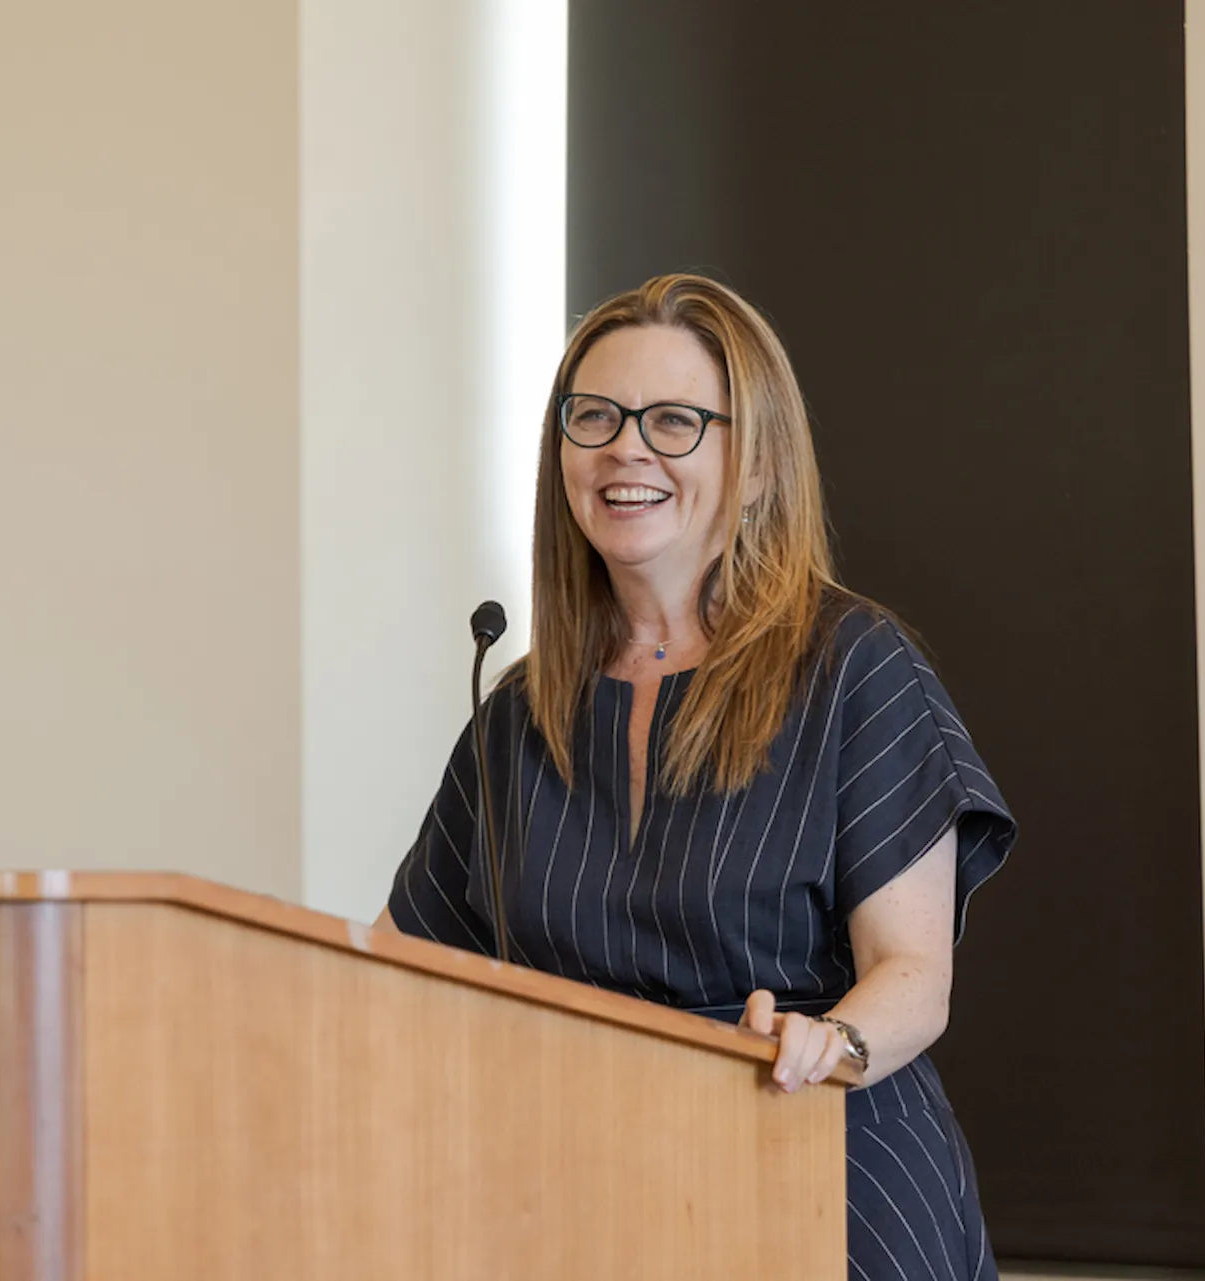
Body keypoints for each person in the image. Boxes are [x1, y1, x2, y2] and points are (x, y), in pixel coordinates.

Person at [381, 273, 1018, 1280]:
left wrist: (831, 1044)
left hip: (820, 1159)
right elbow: (404, 969)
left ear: (757, 467)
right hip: (588, 1189)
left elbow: (914, 976)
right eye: (594, 416)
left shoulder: (855, 666)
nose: (625, 447)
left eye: (674, 420)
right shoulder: (518, 707)